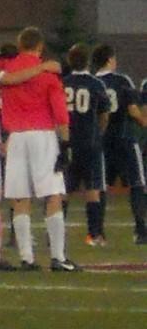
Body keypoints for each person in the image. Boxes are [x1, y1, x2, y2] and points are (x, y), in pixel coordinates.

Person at [0, 27, 76, 271]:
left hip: (17, 138)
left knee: (20, 198)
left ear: (20, 45)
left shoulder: (5, 68)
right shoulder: (48, 74)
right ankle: (58, 256)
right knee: (52, 195)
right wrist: (65, 145)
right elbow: (61, 115)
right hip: (42, 135)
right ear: (40, 47)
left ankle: (27, 258)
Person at [92, 44, 147, 245]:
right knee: (137, 183)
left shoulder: (93, 81)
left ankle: (97, 231)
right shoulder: (122, 80)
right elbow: (133, 109)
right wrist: (143, 121)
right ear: (109, 59)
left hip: (101, 140)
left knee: (100, 185)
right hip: (124, 138)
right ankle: (141, 231)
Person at [62, 43, 110, 246]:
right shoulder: (96, 84)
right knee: (92, 189)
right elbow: (104, 114)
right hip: (89, 141)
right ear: (88, 61)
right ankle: (94, 235)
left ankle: (55, 234)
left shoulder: (62, 83)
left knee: (63, 190)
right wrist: (98, 133)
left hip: (67, 142)